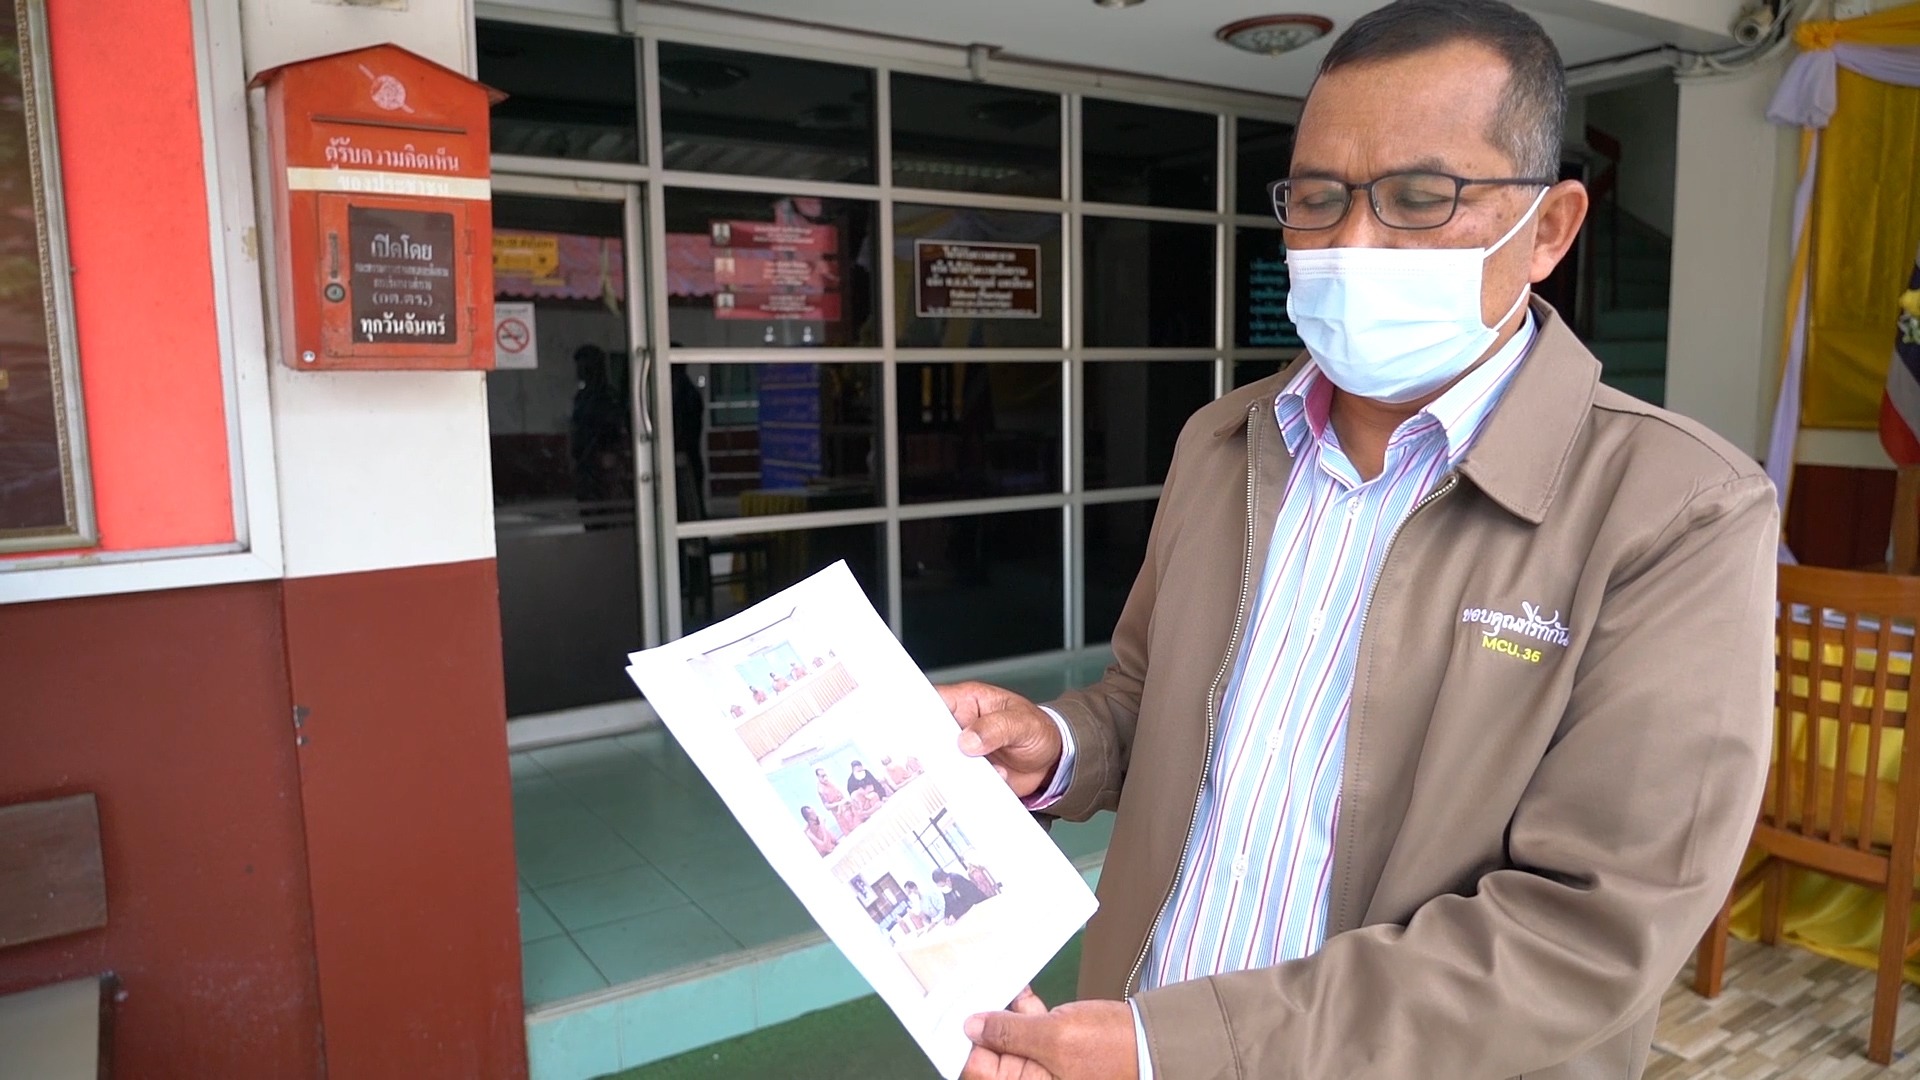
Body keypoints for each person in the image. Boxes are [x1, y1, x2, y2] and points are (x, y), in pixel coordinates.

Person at [945, 4, 1775, 1078]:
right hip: (1143, 1021)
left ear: (1550, 229)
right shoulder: (1224, 441)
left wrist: (1172, 1049)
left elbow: (1588, 932)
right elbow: (1152, 700)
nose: (1352, 245)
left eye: (1421, 199)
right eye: (1318, 199)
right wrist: (1059, 746)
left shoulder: (1678, 510)